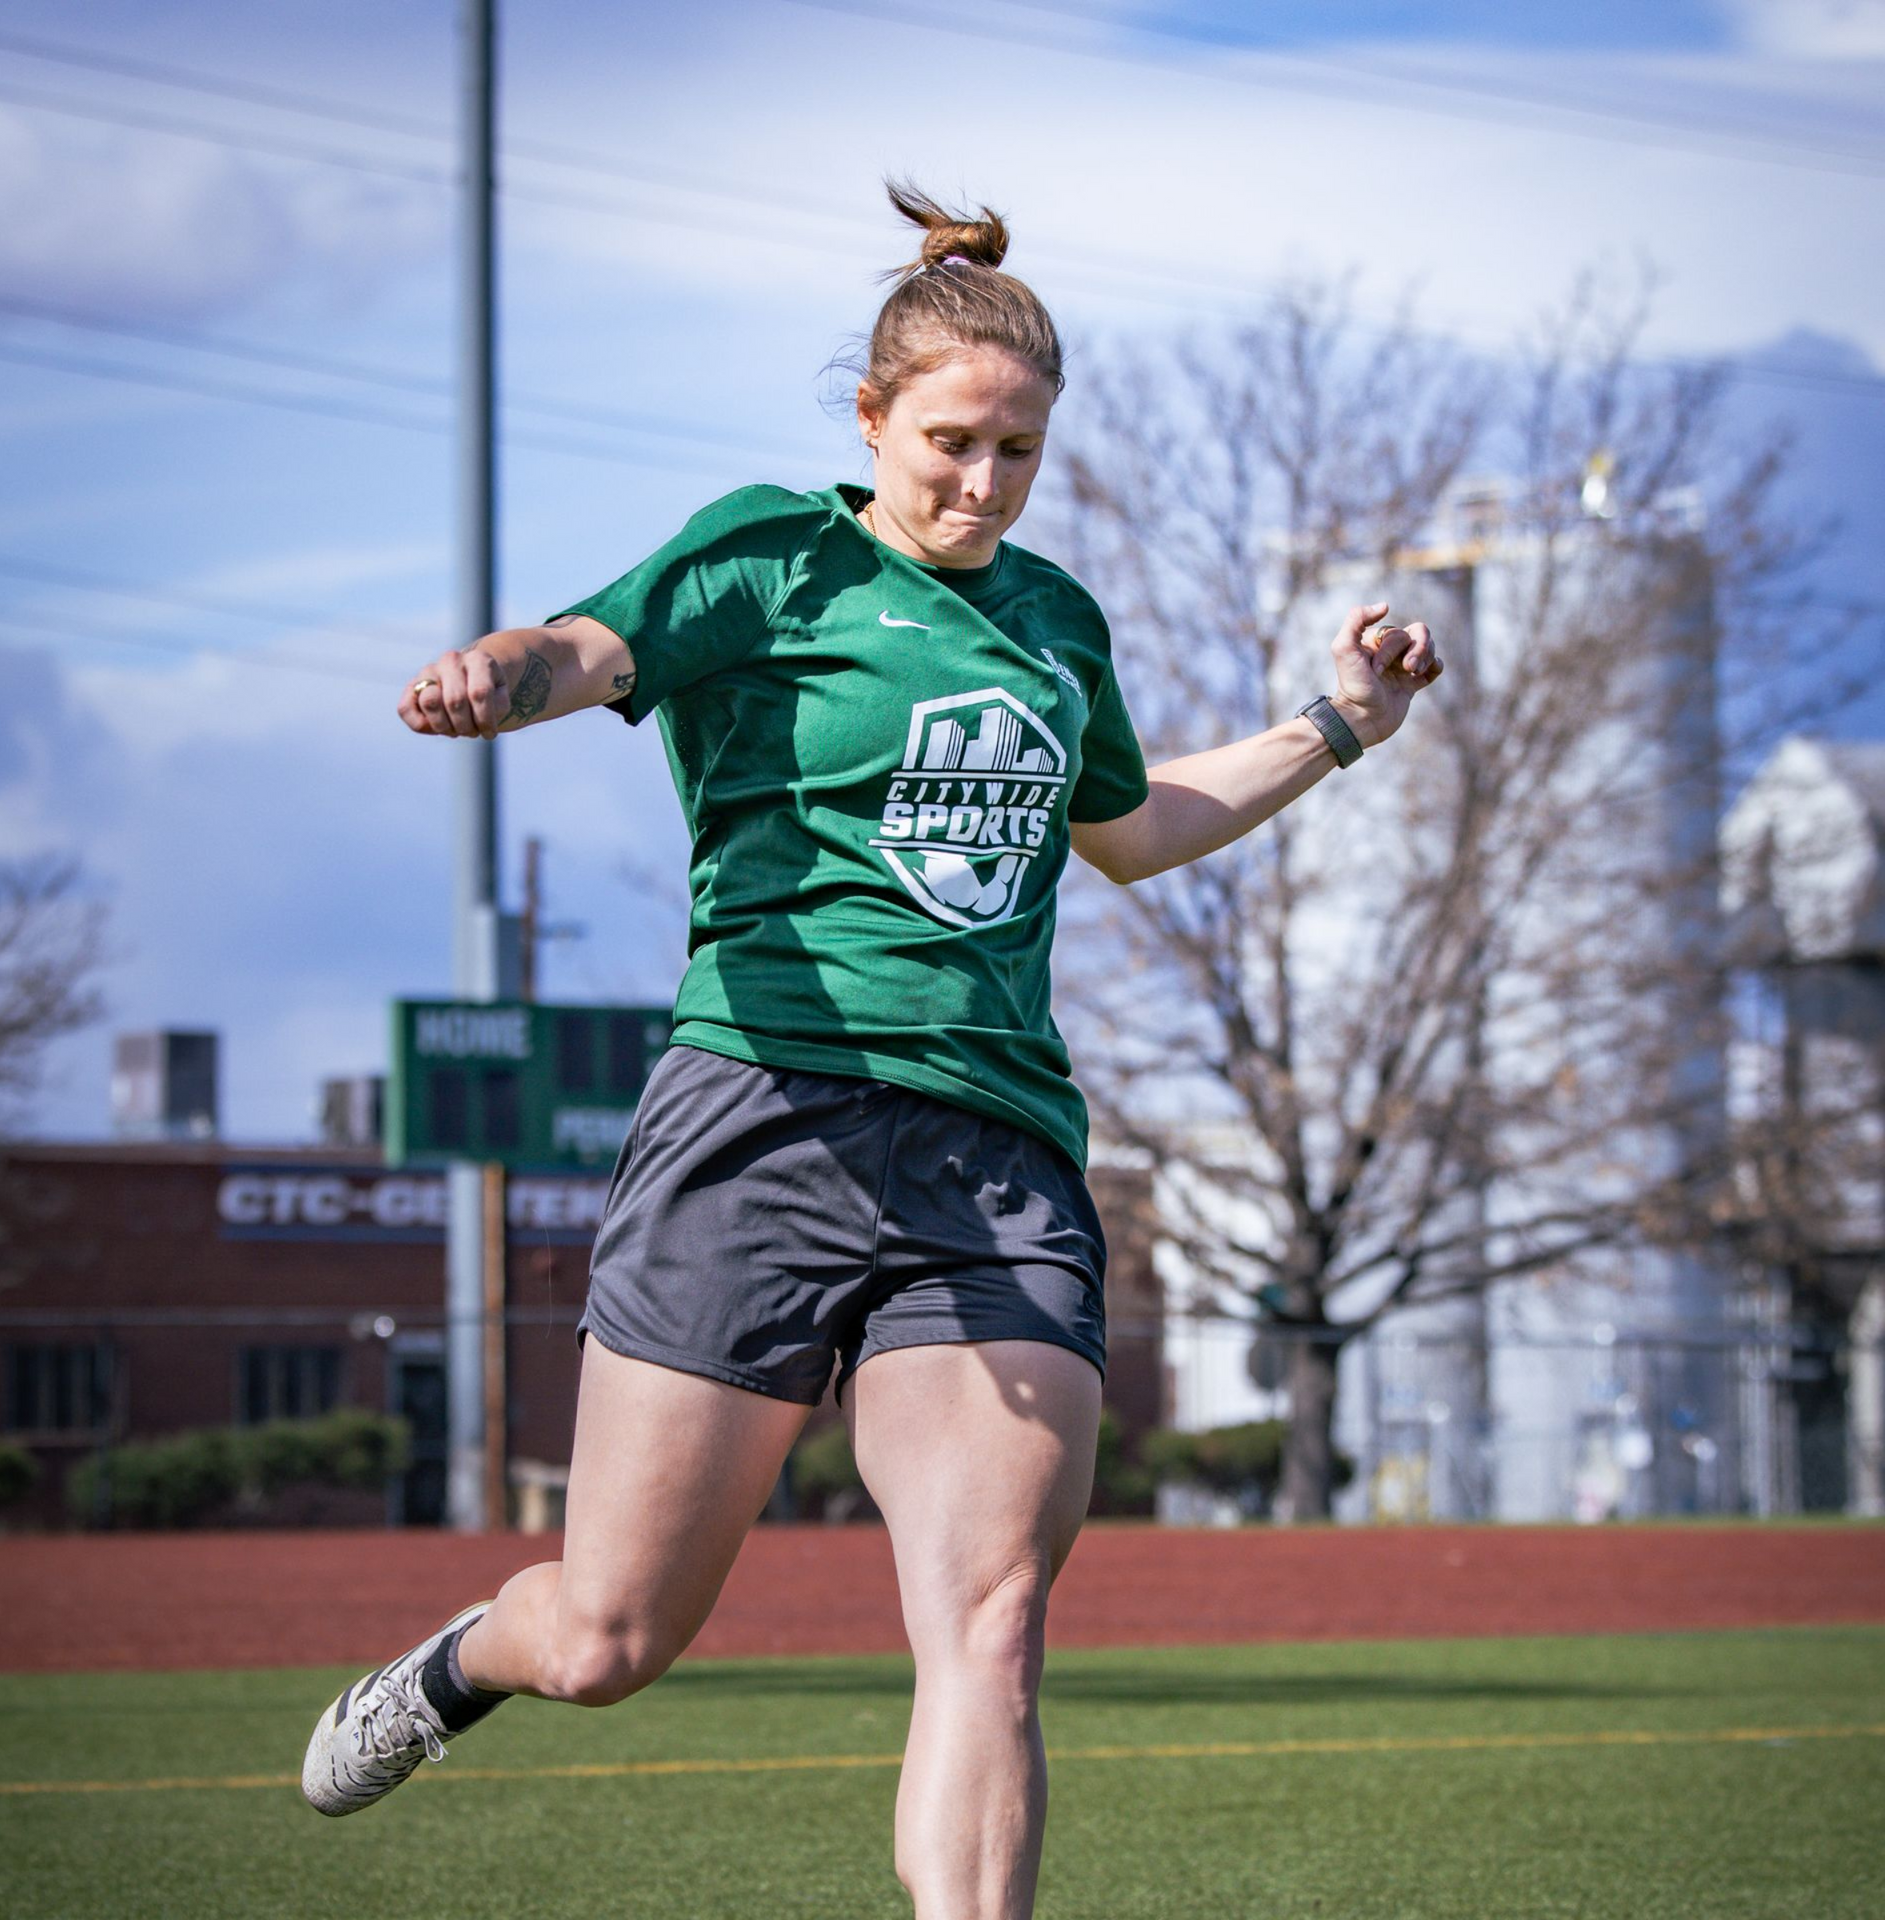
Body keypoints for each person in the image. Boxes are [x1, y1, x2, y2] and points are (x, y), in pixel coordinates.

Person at [300, 182, 1440, 1920]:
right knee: (611, 1636)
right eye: (952, 443)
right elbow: (590, 649)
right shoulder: (770, 555)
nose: (983, 485)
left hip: (994, 1157)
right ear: (870, 420)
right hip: (759, 1126)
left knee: (992, 1620)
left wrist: (1340, 725)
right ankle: (468, 1663)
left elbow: (1128, 830)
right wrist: (497, 677)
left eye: (1020, 453)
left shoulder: (1055, 623)